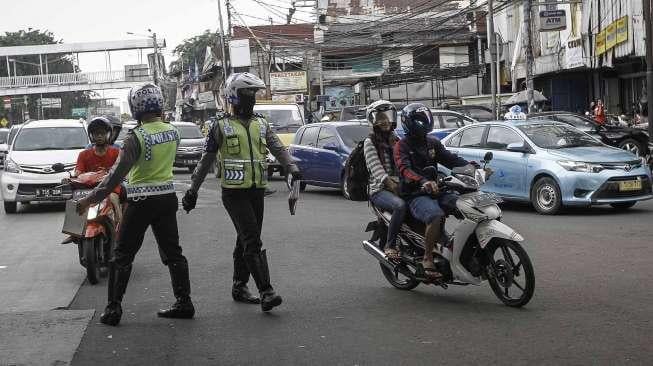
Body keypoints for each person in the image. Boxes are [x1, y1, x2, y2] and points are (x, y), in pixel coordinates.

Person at [76, 83, 195, 326]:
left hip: (141, 201)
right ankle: (184, 302)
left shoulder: (136, 137)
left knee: (122, 256)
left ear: (136, 107)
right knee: (173, 253)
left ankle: (113, 309)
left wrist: (89, 199)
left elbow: (115, 177)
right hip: (167, 199)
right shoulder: (173, 131)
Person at [182, 72, 302, 312]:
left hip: (257, 190)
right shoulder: (220, 126)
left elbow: (277, 147)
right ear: (235, 96)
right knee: (252, 239)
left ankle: (239, 286)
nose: (252, 99)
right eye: (248, 94)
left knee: (244, 239)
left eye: (254, 94)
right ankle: (266, 291)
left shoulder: (261, 123)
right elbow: (206, 161)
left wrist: (292, 167)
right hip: (233, 193)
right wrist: (192, 190)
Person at [394, 103, 470, 280]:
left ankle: (456, 248)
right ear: (409, 123)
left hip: (437, 190)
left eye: (425, 120)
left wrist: (472, 167)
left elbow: (451, 159)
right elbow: (404, 169)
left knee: (466, 207)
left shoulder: (432, 143)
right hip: (414, 195)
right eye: (419, 121)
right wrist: (422, 181)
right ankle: (428, 257)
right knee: (435, 215)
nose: (423, 124)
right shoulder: (402, 146)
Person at [363, 100, 406, 260]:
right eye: (380, 118)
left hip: (399, 185)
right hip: (379, 190)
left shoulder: (396, 139)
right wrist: (392, 184)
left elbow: (405, 163)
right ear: (373, 121)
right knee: (400, 206)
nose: (385, 121)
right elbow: (377, 170)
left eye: (387, 117)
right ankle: (391, 244)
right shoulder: (370, 142)